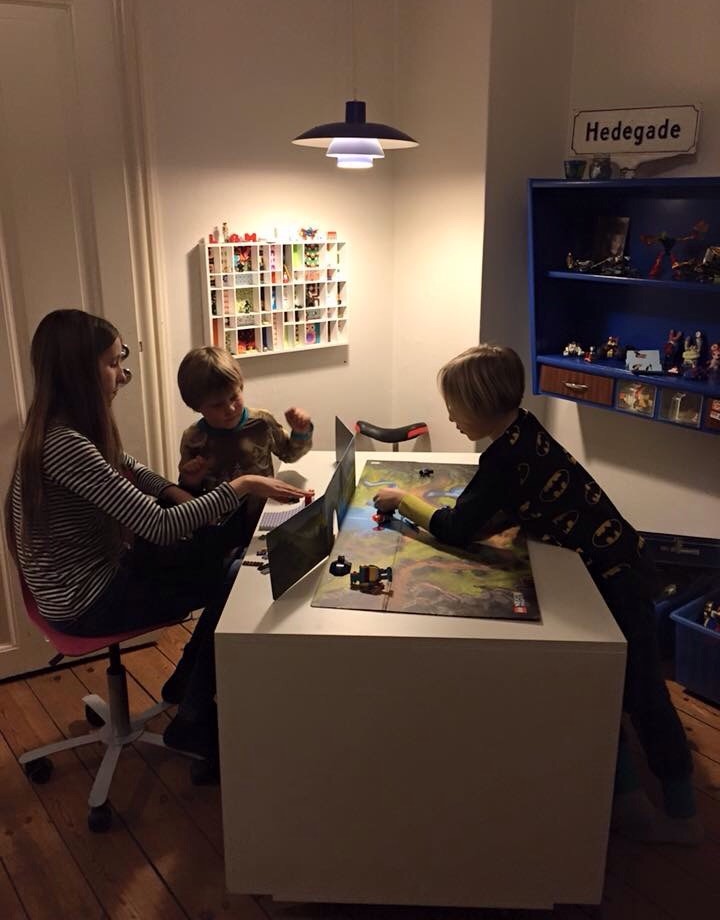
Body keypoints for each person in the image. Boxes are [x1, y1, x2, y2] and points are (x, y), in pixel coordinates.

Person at [372, 344, 703, 846]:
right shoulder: (524, 430)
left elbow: (456, 528)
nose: (450, 416)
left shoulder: (504, 457)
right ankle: (627, 797)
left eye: (454, 406)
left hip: (616, 580)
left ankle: (683, 816)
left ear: (481, 404)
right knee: (602, 687)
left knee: (641, 693)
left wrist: (403, 500)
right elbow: (514, 503)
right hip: (618, 564)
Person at [4, 310, 306, 775]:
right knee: (235, 574)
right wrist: (242, 486)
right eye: (113, 363)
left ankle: (186, 684)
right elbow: (160, 527)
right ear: (79, 372)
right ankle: (193, 713)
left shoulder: (66, 428)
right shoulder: (66, 444)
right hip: (85, 602)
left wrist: (175, 490)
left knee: (229, 563)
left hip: (91, 579)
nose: (123, 374)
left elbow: (131, 469)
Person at [176, 345, 313, 547]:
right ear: (197, 406)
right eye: (217, 405)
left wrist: (301, 432)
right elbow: (187, 496)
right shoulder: (194, 438)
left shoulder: (262, 422)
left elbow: (289, 453)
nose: (230, 408)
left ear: (241, 386)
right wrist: (190, 480)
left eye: (234, 397)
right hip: (220, 532)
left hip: (264, 519)